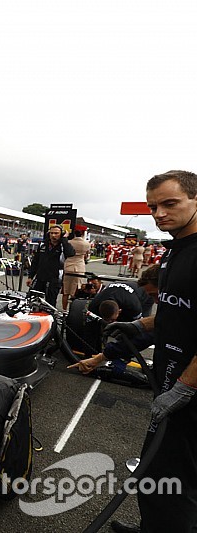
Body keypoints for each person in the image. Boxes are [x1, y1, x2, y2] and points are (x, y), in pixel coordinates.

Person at [103, 170, 197, 533]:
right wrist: (137, 326)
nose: (159, 213)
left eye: (170, 204)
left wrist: (185, 389)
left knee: (174, 480)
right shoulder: (175, 251)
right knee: (156, 471)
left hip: (188, 391)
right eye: (153, 206)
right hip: (170, 378)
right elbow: (177, 312)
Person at [25, 224, 75, 307]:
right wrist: (30, 276)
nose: (53, 235)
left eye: (56, 233)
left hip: (54, 279)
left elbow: (70, 253)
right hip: (40, 278)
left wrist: (64, 239)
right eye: (51, 233)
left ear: (61, 234)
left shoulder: (63, 246)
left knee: (49, 303)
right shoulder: (42, 245)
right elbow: (35, 262)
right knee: (31, 300)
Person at [62, 229, 91, 312]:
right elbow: (86, 255)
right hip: (79, 266)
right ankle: (72, 310)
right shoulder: (86, 244)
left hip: (68, 266)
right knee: (76, 290)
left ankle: (64, 310)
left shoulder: (69, 242)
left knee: (65, 291)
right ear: (82, 234)